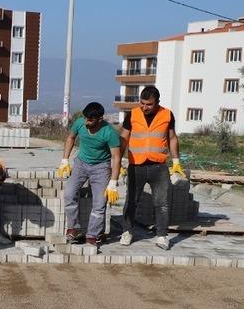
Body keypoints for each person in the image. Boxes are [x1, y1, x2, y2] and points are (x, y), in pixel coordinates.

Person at [119, 86, 184, 250]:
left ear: (157, 102)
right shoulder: (133, 114)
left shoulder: (167, 115)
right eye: (142, 103)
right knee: (131, 201)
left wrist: (176, 161)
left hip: (159, 166)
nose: (144, 107)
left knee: (161, 203)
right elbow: (123, 138)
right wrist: (118, 162)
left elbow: (172, 138)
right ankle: (127, 232)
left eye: (149, 104)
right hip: (136, 166)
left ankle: (162, 236)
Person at [56, 102, 122, 248]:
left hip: (101, 167)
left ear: (100, 119)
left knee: (99, 203)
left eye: (90, 120)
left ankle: (93, 235)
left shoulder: (109, 132)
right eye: (85, 118)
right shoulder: (80, 123)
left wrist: (113, 182)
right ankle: (74, 228)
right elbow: (70, 138)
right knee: (69, 194)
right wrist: (65, 160)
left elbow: (116, 158)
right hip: (81, 163)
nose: (86, 122)